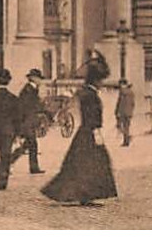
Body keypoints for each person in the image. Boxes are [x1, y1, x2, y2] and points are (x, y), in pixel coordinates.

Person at [42, 51, 118, 206]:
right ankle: (85, 195)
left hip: (85, 131)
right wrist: (96, 131)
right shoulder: (90, 94)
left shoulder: (86, 92)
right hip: (90, 131)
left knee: (84, 164)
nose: (102, 83)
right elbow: (91, 115)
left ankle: (86, 195)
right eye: (100, 80)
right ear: (96, 80)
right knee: (90, 164)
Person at [13, 68, 46, 175]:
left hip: (29, 122)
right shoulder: (28, 90)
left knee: (28, 145)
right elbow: (23, 107)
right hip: (26, 122)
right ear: (33, 78)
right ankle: (33, 167)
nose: (40, 81)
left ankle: (9, 161)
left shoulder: (32, 89)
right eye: (39, 79)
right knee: (31, 144)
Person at [115, 80, 136, 147]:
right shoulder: (131, 92)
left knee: (123, 127)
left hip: (123, 112)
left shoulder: (122, 92)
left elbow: (120, 103)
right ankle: (127, 139)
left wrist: (117, 111)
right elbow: (133, 103)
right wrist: (131, 111)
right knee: (127, 127)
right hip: (129, 112)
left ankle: (126, 141)